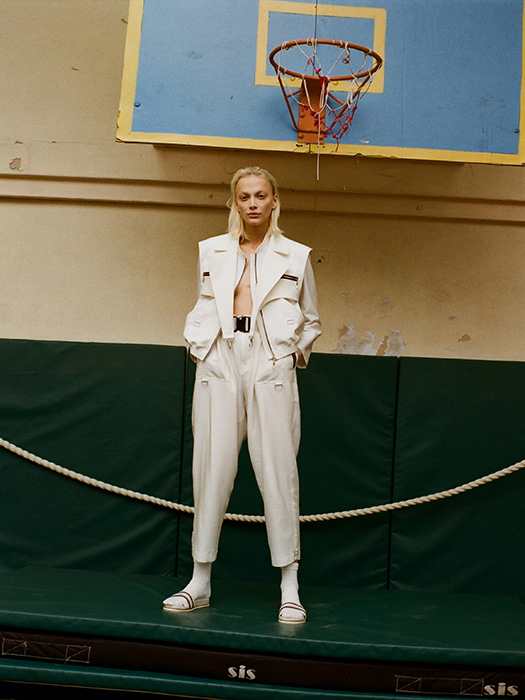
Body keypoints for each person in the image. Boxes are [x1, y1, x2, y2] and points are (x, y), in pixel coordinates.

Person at [163, 166, 321, 624]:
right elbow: (204, 304)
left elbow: (311, 319)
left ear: (274, 201)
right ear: (235, 202)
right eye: (245, 196)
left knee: (278, 471)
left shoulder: (296, 255)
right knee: (211, 469)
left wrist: (290, 356)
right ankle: (199, 581)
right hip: (220, 358)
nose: (253, 203)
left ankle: (289, 586)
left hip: (270, 363)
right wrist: (201, 349)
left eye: (261, 195)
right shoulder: (210, 250)